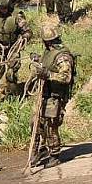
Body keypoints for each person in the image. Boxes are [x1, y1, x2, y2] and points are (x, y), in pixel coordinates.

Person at [31, 24, 76, 169]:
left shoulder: (62, 56)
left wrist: (48, 75)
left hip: (55, 96)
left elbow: (66, 77)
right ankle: (40, 150)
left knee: (51, 125)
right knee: (36, 123)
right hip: (44, 93)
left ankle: (55, 154)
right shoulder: (49, 51)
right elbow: (47, 65)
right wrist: (38, 60)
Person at [0, 0, 31, 98]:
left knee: (11, 74)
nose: (3, 10)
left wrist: (24, 37)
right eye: (0, 8)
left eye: (5, 8)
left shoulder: (17, 16)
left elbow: (28, 31)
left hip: (13, 47)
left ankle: (11, 96)